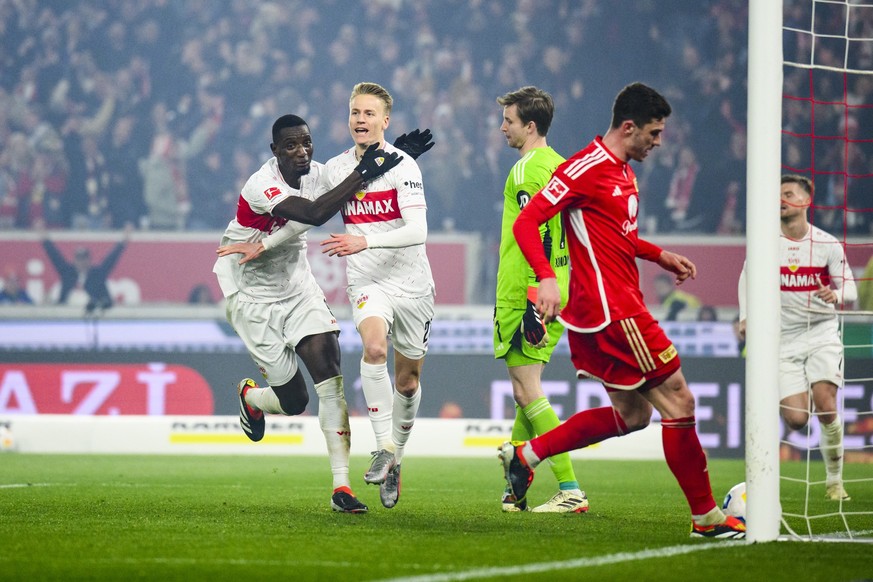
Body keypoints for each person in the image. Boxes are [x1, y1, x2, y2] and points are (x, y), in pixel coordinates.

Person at [500, 82, 745, 539]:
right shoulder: (585, 168)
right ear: (628, 126)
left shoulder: (624, 172)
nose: (658, 141)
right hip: (614, 312)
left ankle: (526, 455)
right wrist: (548, 279)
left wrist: (658, 255)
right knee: (680, 400)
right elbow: (526, 220)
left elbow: (618, 237)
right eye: (653, 133)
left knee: (632, 416)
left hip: (612, 307)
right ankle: (707, 518)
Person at [212, 114, 404, 514]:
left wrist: (394, 156)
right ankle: (251, 398)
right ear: (275, 151)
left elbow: (359, 179)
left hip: (298, 287)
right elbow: (316, 214)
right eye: (291, 146)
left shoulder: (320, 172)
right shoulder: (260, 184)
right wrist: (367, 170)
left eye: (306, 143)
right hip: (251, 294)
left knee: (328, 369)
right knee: (295, 399)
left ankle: (342, 485)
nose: (302, 152)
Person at [320, 82, 435, 510]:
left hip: (412, 285)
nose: (360, 120)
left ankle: (396, 460)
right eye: (355, 113)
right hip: (368, 281)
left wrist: (363, 242)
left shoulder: (404, 166)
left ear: (385, 121)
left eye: (369, 114)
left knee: (408, 381)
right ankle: (383, 446)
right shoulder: (337, 168)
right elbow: (312, 206)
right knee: (372, 347)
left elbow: (417, 231)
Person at [492, 86, 588, 513]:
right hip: (557, 285)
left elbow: (541, 231)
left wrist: (535, 290)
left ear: (530, 126)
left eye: (508, 121)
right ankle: (517, 489)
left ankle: (570, 488)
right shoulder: (561, 166)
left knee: (527, 389)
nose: (502, 128)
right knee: (522, 391)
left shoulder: (527, 170)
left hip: (528, 290)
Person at [737, 174, 858, 501]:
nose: (781, 200)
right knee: (795, 420)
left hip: (821, 334)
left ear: (805, 201)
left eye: (788, 194)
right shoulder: (766, 242)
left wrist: (836, 294)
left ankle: (834, 481)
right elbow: (746, 278)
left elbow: (851, 286)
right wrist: (745, 315)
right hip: (783, 339)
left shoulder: (827, 244)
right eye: (778, 195)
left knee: (826, 405)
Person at [41, 226, 130, 313]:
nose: (81, 262)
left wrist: (123, 241)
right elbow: (54, 256)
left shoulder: (97, 274)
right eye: (79, 259)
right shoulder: (67, 273)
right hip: (67, 316)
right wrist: (44, 237)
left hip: (92, 314)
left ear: (89, 260)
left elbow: (111, 259)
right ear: (74, 260)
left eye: (84, 259)